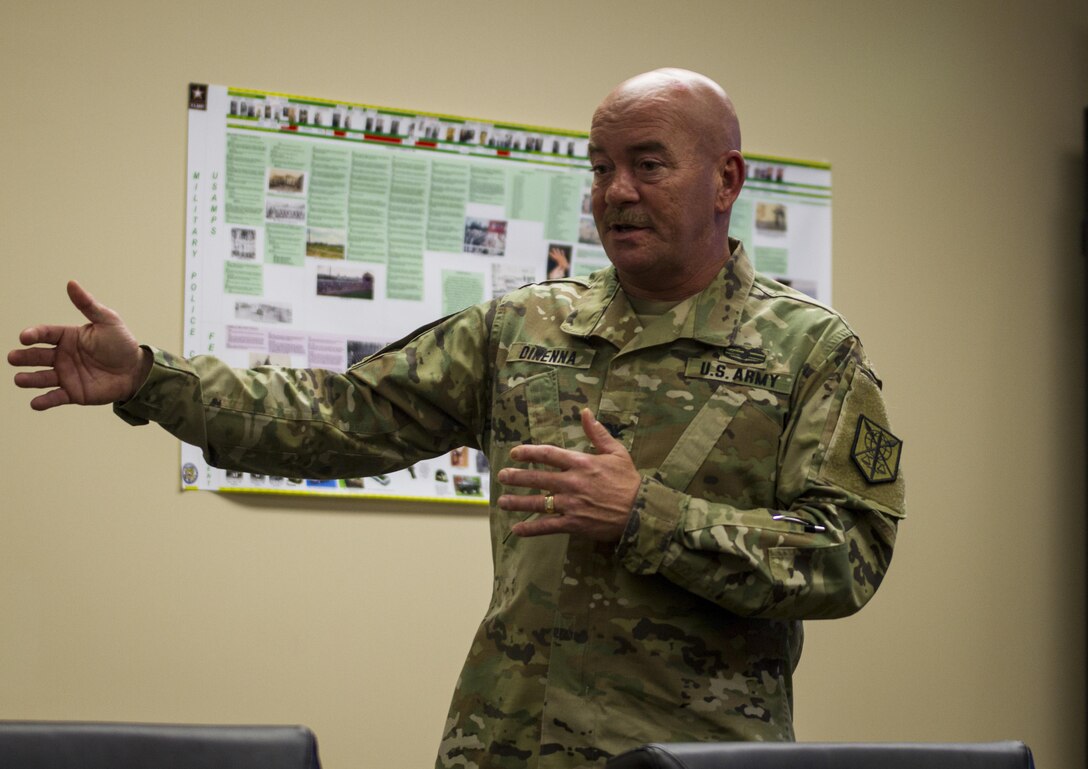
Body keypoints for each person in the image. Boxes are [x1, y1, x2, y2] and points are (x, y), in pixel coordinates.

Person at [9, 69, 905, 768]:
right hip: (508, 748)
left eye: (649, 163)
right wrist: (150, 380)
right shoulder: (524, 327)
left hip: (694, 760)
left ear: (727, 179)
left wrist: (648, 517)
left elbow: (848, 553)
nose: (616, 192)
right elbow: (337, 417)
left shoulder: (809, 351)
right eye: (600, 168)